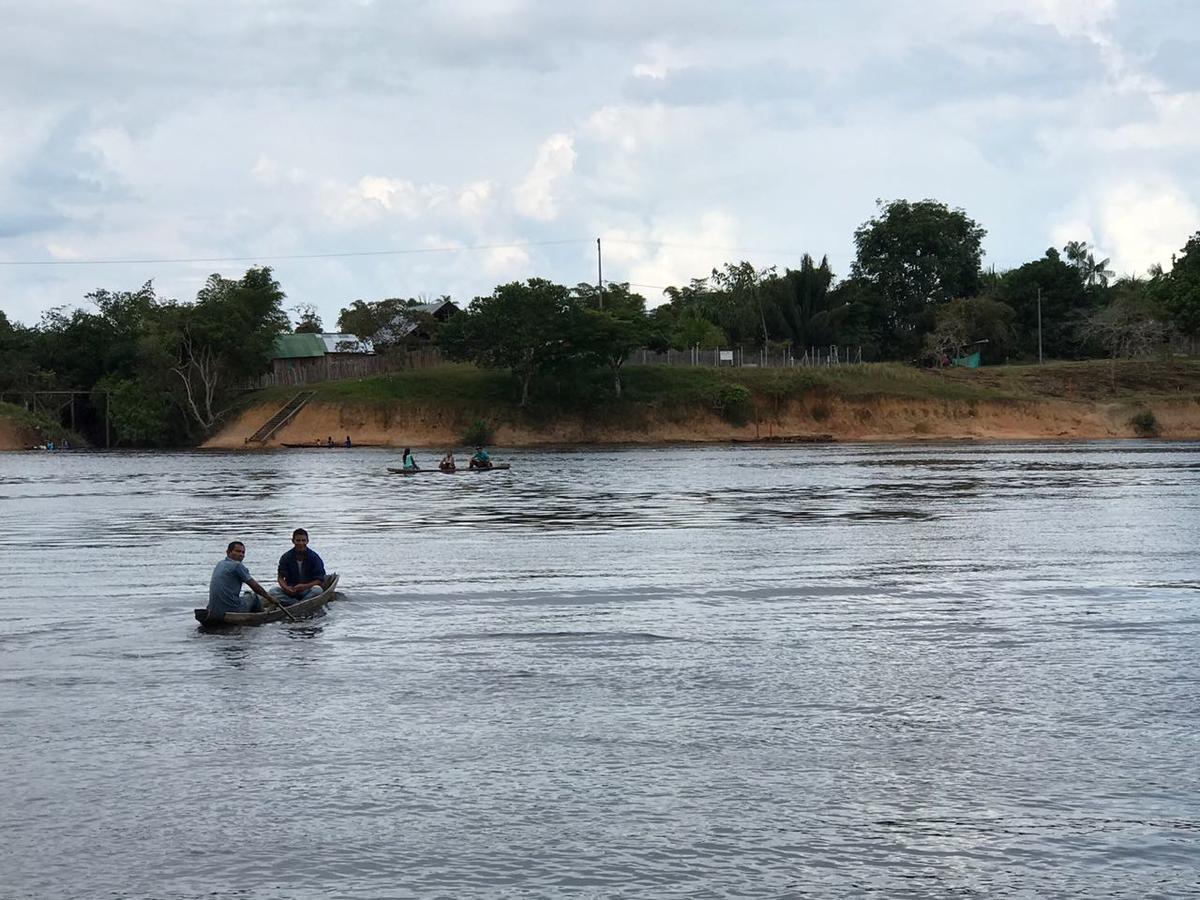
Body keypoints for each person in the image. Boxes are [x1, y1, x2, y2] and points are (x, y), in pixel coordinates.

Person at [207, 541, 274, 618]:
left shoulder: (220, 563)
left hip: (214, 609)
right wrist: (270, 598)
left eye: (243, 552)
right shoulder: (237, 565)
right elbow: (255, 587)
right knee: (252, 596)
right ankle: (263, 615)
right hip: (232, 609)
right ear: (228, 552)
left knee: (245, 597)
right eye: (238, 551)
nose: (241, 555)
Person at [271, 528, 327, 606]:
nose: (301, 543)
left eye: (303, 540)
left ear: (307, 541)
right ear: (293, 541)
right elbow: (280, 577)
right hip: (292, 590)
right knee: (273, 591)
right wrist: (286, 587)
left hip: (307, 591)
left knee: (318, 590)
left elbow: (320, 579)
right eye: (298, 540)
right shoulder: (286, 557)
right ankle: (297, 604)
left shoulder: (314, 557)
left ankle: (296, 604)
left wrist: (305, 586)